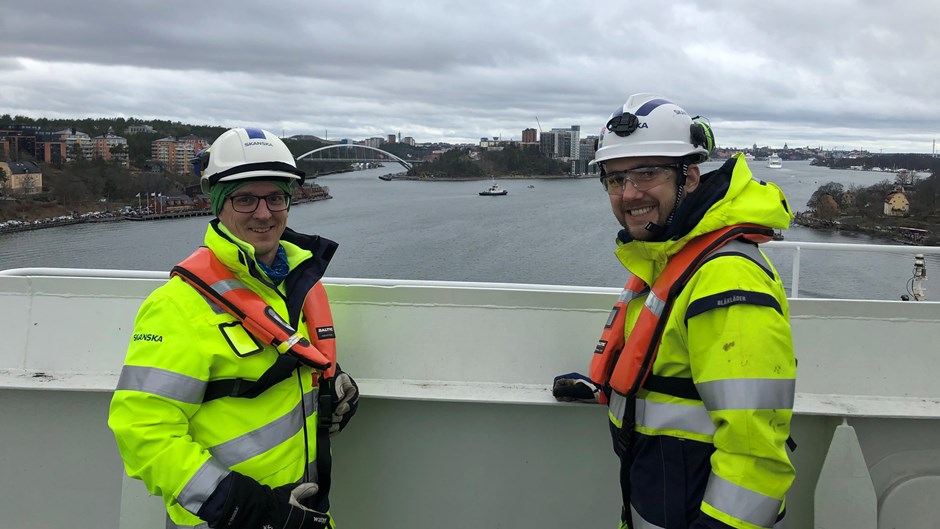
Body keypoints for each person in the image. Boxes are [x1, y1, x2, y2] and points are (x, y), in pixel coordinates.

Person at [552, 94, 796, 529]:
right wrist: (609, 387)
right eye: (615, 179)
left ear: (691, 176)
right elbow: (672, 374)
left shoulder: (727, 280)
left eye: (648, 173)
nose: (629, 193)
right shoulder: (669, 257)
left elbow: (755, 453)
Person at [109, 127, 359, 529]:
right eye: (245, 199)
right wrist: (242, 507)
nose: (264, 213)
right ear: (218, 204)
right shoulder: (177, 306)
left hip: (297, 508)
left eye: (275, 197)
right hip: (227, 519)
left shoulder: (291, 286)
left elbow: (274, 381)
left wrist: (333, 392)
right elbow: (142, 431)